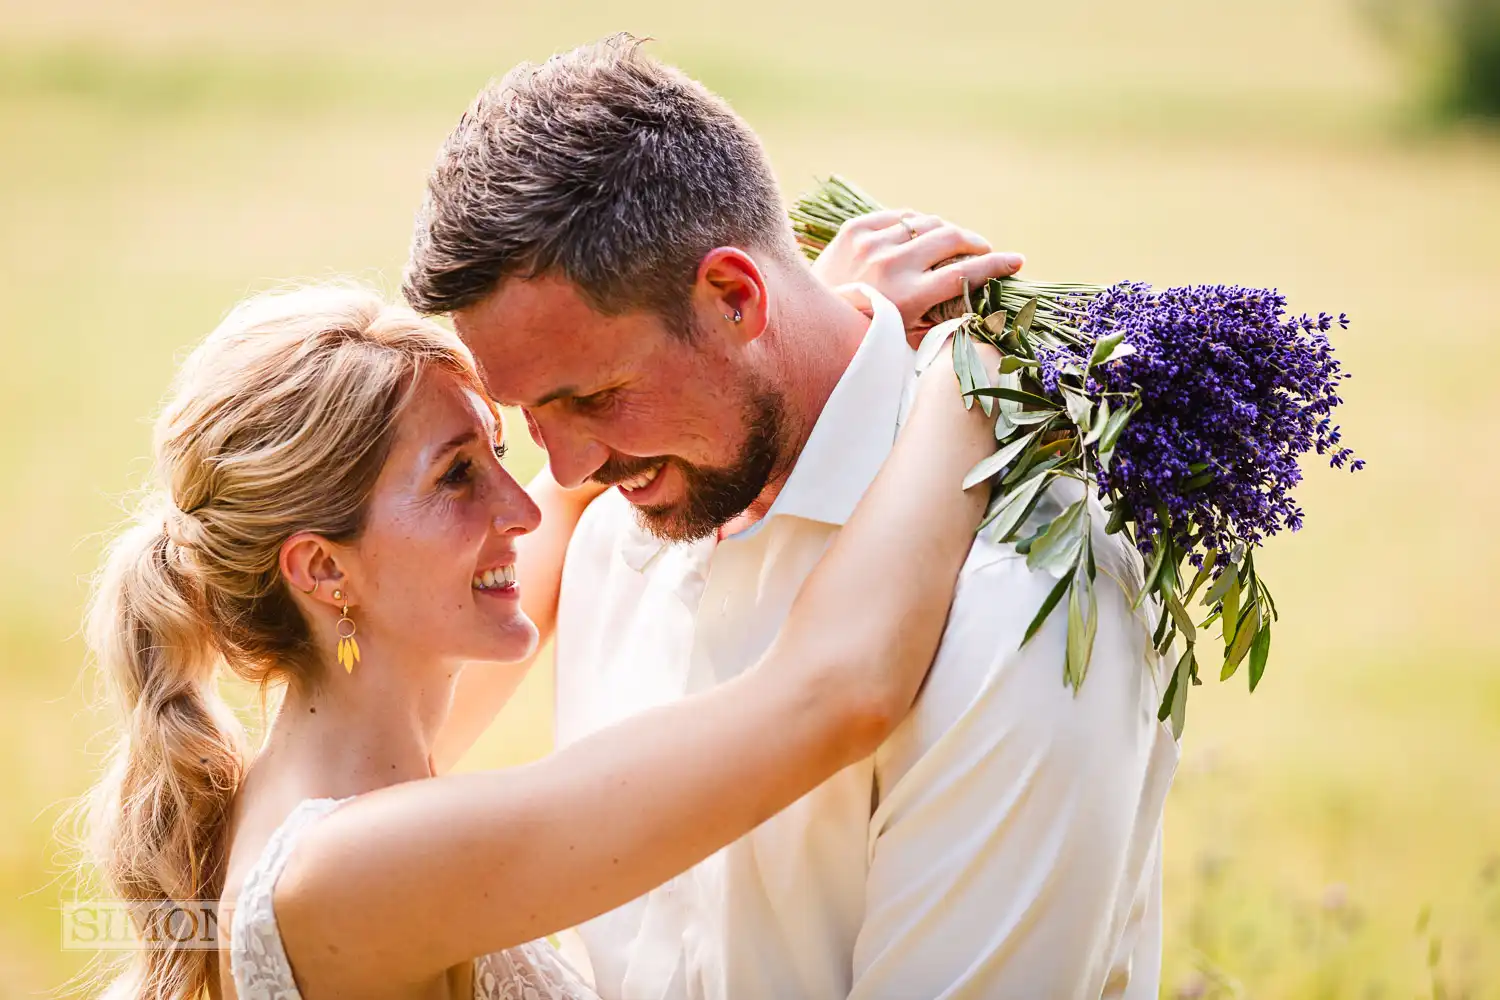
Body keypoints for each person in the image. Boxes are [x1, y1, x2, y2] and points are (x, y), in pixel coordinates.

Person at [404, 34, 1181, 1000]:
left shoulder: (1025, 596)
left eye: (594, 396)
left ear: (735, 296)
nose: (562, 472)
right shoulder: (615, 535)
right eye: (528, 413)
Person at [83, 228, 1002, 1000]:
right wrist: (962, 370)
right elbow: (837, 693)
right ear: (323, 568)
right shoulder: (349, 872)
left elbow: (566, 498)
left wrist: (792, 331)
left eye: (495, 450)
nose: (519, 504)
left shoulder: (355, 738)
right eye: (456, 477)